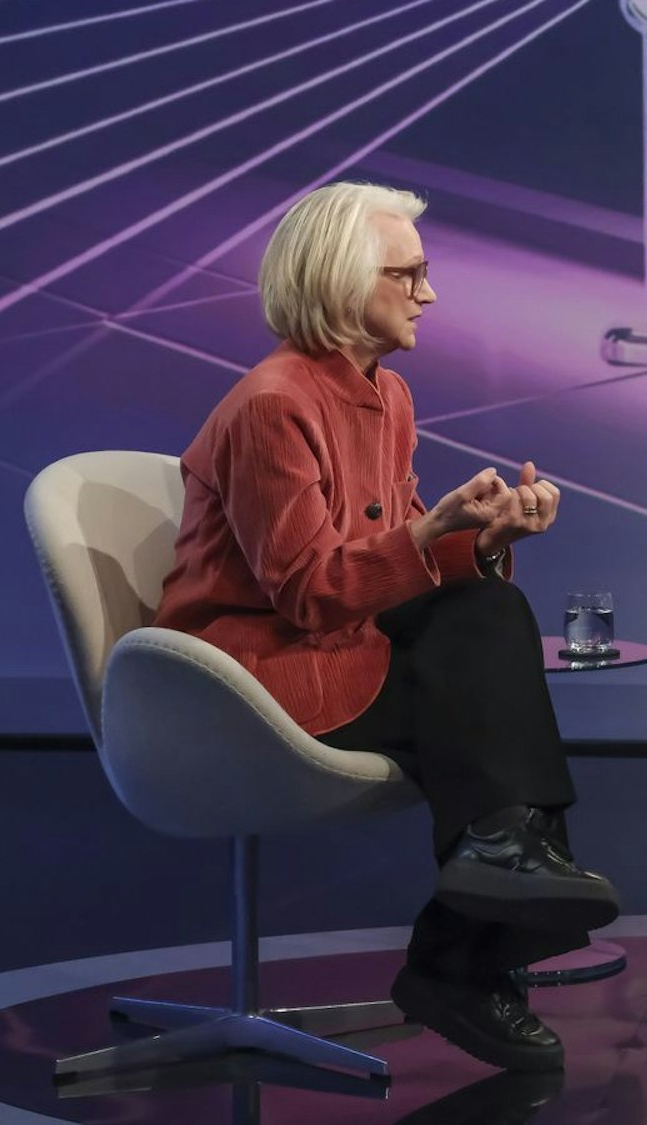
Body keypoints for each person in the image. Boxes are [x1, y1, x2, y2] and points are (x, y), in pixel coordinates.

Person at [153, 182, 620, 1073]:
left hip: (335, 640)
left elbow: (390, 570)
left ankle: (501, 862)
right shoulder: (271, 404)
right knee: (478, 679)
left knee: (488, 603)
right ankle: (470, 934)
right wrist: (424, 529)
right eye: (407, 275)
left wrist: (480, 537)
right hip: (252, 676)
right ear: (338, 280)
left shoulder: (389, 394)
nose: (428, 294)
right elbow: (306, 591)